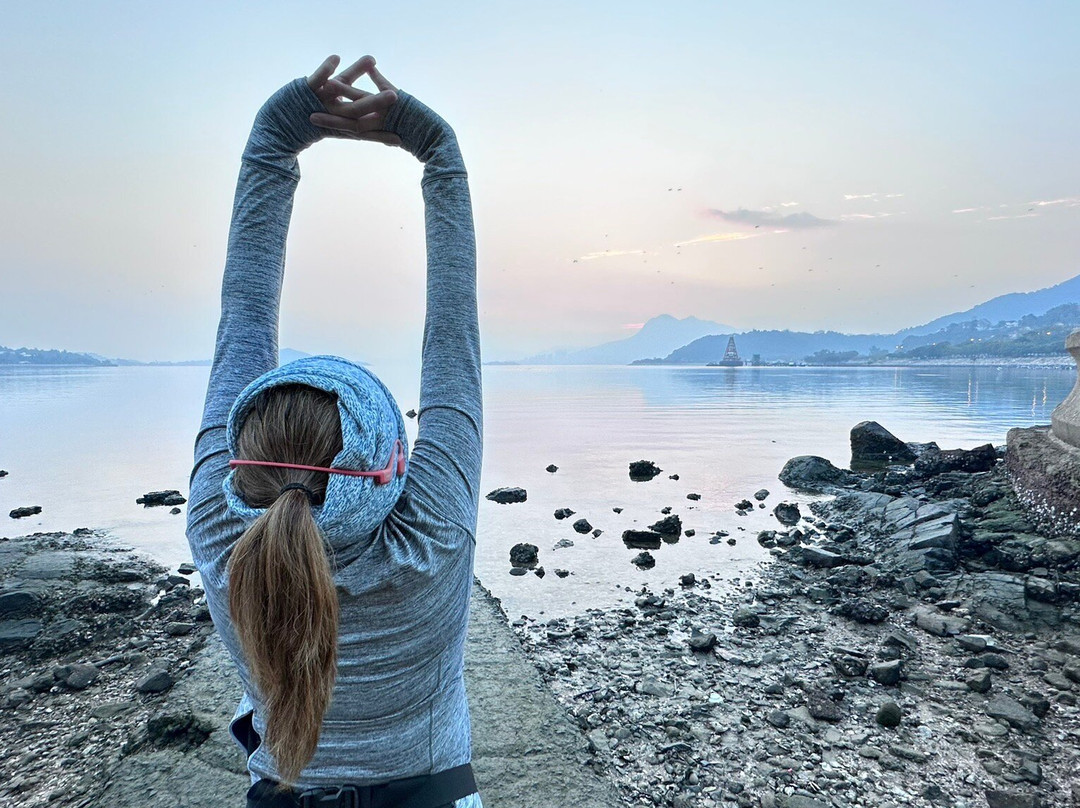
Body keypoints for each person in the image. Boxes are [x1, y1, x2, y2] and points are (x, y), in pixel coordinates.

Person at [185, 54, 483, 808]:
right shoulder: (430, 538)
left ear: (241, 461)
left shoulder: (221, 535)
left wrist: (273, 142)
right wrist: (439, 158)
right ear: (394, 464)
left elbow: (241, 324)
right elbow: (453, 342)